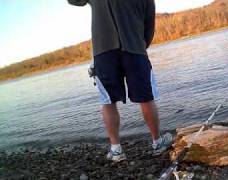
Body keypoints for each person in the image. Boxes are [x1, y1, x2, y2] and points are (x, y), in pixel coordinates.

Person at [67, 0, 173, 162]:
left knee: (108, 101)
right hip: (135, 49)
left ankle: (116, 150)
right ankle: (157, 142)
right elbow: (149, 27)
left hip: (104, 52)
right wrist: (139, 44)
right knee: (146, 98)